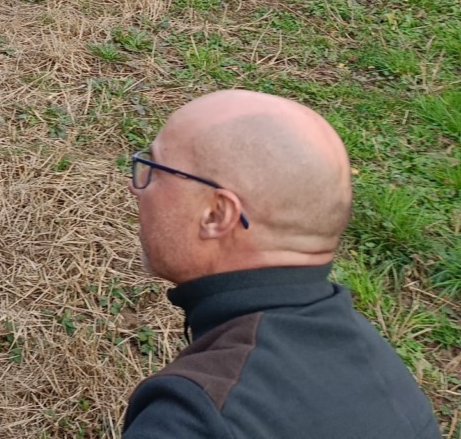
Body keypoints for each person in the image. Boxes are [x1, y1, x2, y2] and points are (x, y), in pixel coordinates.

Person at [123, 89, 441, 438]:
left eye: (155, 169)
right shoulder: (383, 371)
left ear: (216, 215)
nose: (136, 188)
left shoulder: (197, 418)